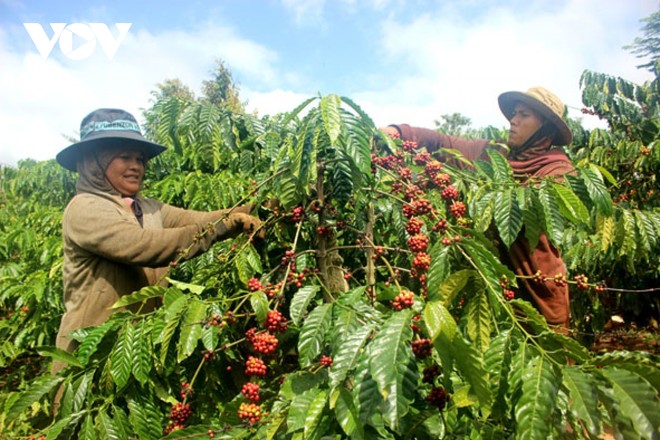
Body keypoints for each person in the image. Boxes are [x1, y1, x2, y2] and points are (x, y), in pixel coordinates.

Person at [53, 108, 263, 365]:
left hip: (139, 348)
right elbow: (143, 246)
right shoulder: (84, 207)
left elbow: (200, 219)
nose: (136, 166)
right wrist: (220, 229)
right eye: (125, 157)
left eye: (140, 159)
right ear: (94, 162)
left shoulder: (147, 208)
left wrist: (261, 206)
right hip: (91, 356)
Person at [381, 87, 574, 329]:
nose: (513, 120)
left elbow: (533, 210)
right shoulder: (493, 153)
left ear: (545, 127)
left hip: (539, 288)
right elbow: (444, 142)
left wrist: (478, 189)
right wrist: (398, 132)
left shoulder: (558, 169)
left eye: (523, 115)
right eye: (514, 113)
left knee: (546, 360)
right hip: (492, 284)